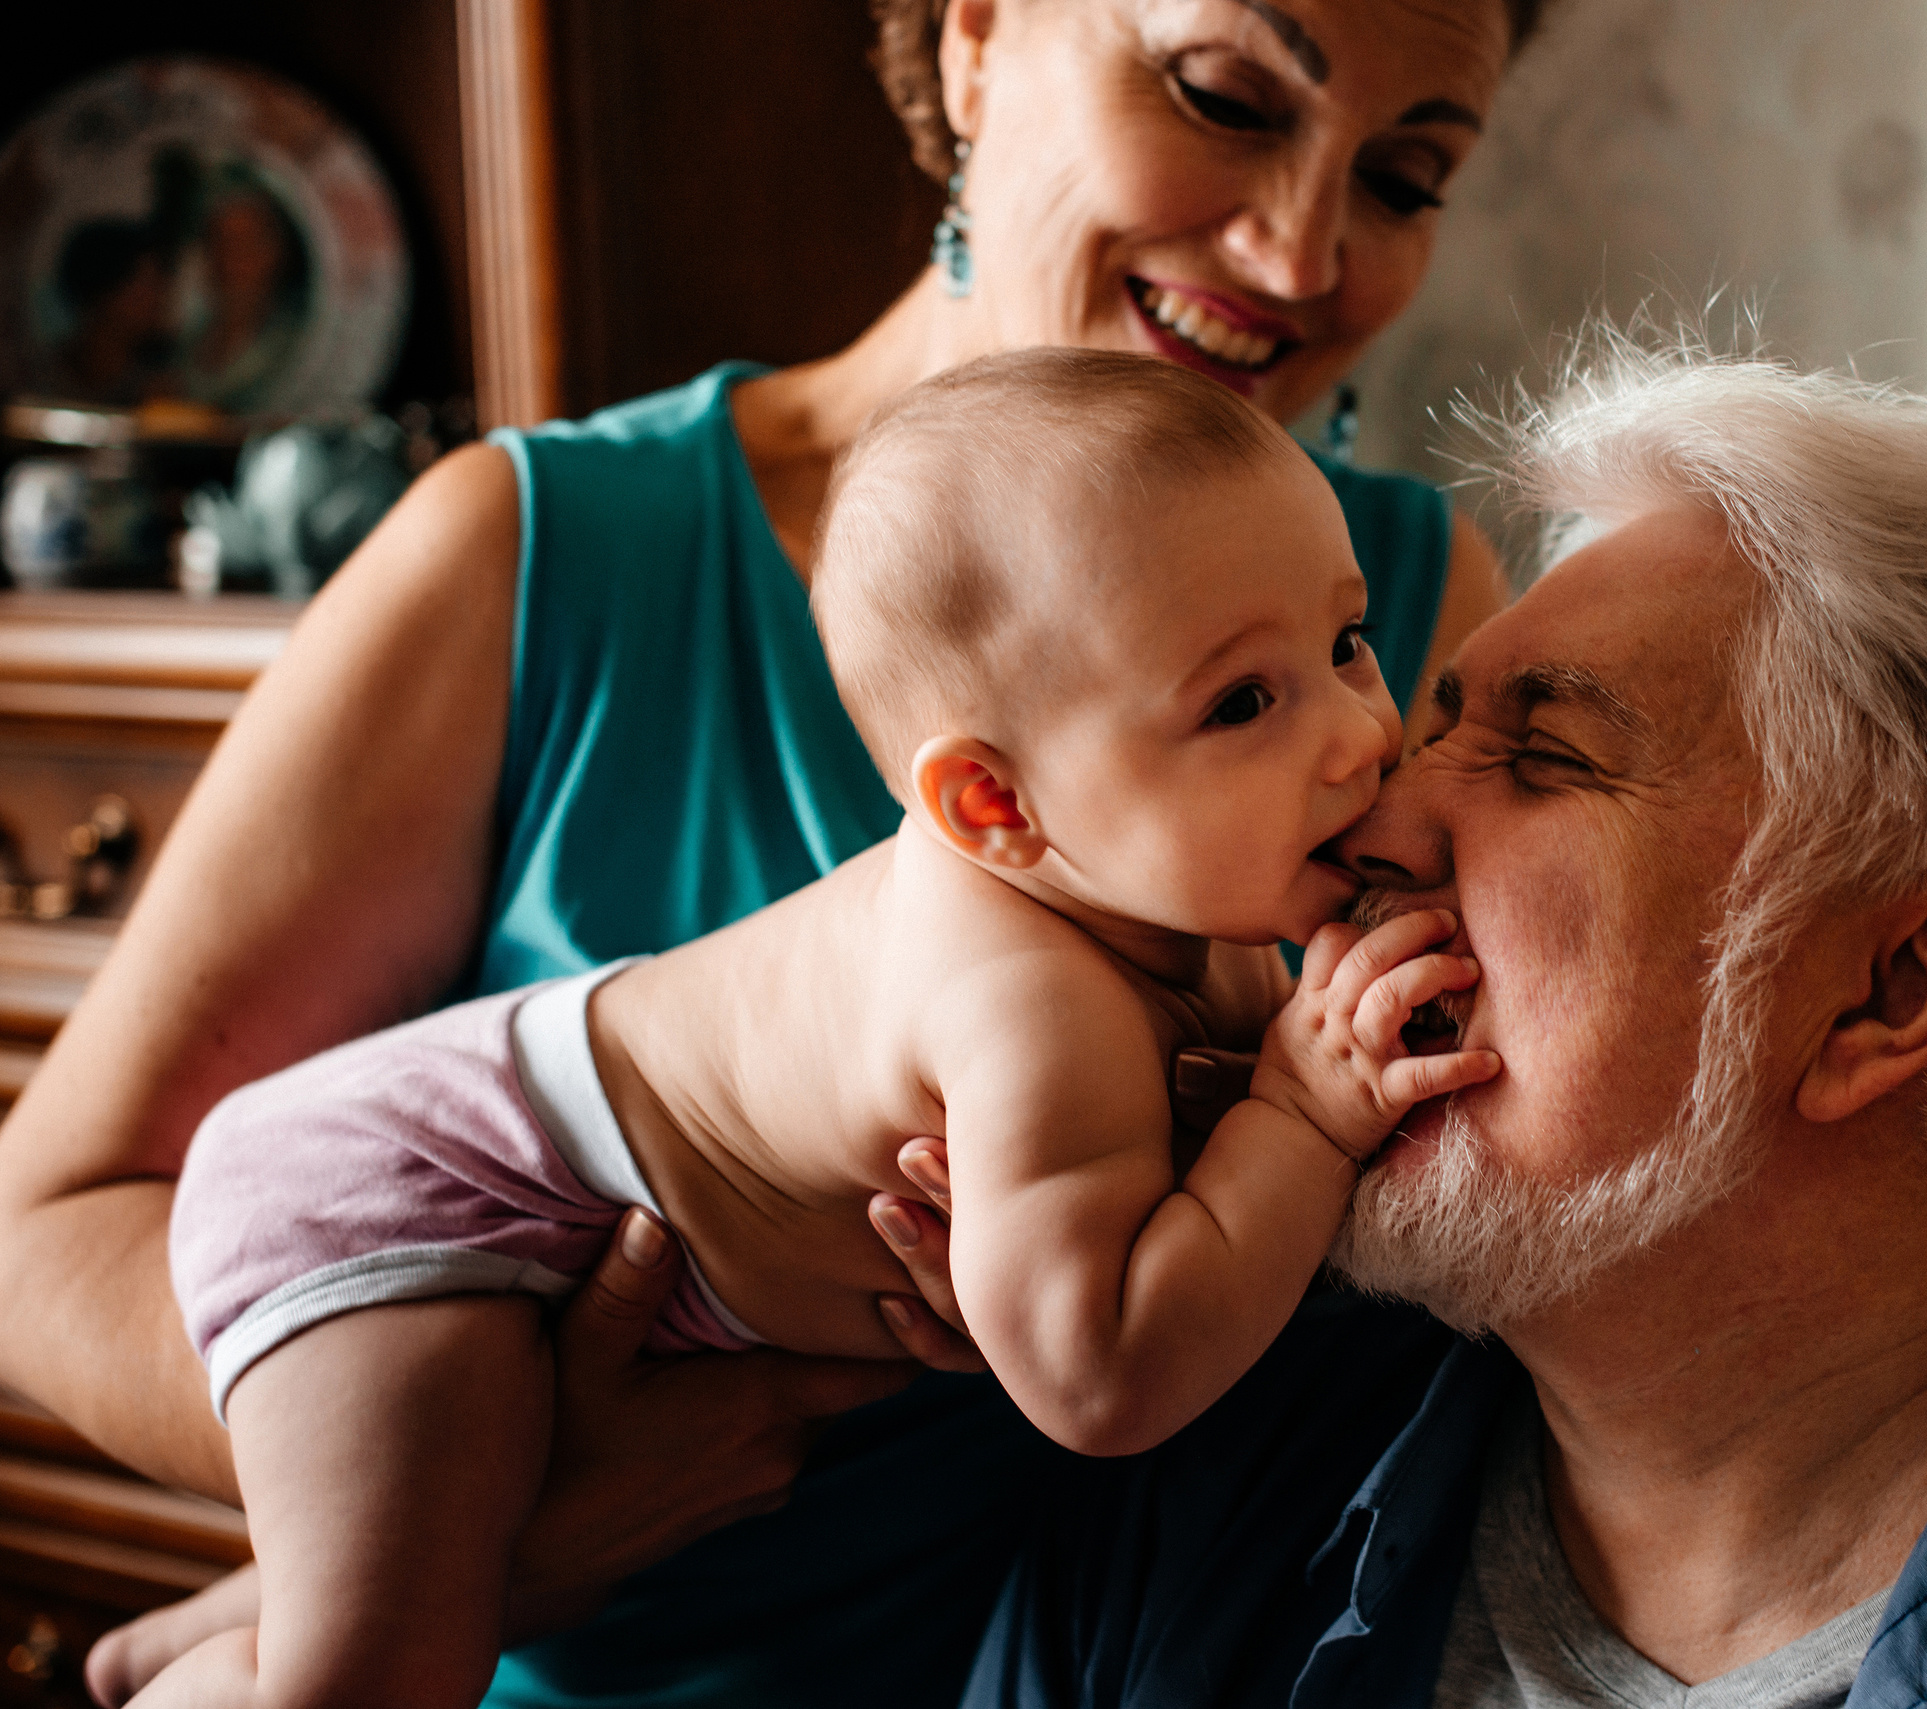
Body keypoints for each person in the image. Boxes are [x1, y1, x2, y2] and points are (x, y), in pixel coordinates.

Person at [0, 2, 1540, 1704]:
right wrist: (504, 1494)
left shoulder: (1403, 605)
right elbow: (47, 1233)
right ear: (972, 43)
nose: (1299, 249)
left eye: (1405, 177)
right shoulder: (535, 557)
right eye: (1225, 96)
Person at [928, 343, 1927, 1705]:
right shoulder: (1201, 1442)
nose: (1363, 829)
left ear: (1890, 990)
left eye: (1544, 757)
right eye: (1431, 724)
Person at [142, 352, 1498, 1708]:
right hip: (402, 1197)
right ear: (992, 806)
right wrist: (1303, 1116)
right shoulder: (1027, 1005)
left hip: (483, 1158)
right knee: (374, 1676)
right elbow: (1100, 1381)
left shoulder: (1170, 893)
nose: (1360, 736)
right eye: (1242, 703)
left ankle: (238, 1623)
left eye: (1345, 643)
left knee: (406, 1559)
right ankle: (208, 1679)